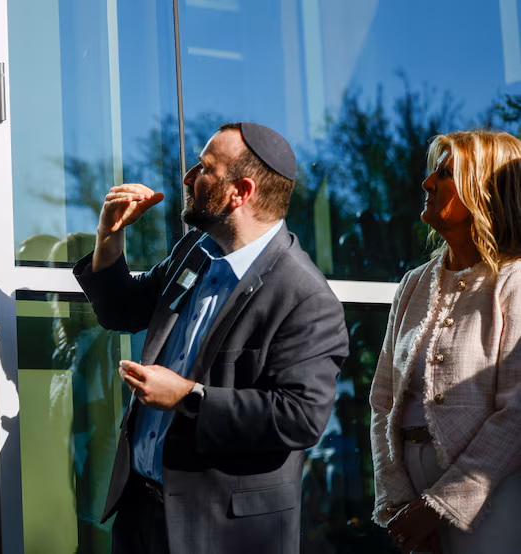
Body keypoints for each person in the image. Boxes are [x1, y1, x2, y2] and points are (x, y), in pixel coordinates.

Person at [73, 122, 349, 553]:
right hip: (141, 515)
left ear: (241, 192)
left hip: (219, 534)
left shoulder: (305, 296)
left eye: (203, 169)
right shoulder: (194, 252)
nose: (187, 179)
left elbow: (299, 417)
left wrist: (187, 397)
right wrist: (109, 236)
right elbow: (122, 310)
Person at [370, 130, 521, 554]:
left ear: (487, 192)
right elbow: (382, 399)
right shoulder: (413, 285)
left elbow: (517, 412)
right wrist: (399, 497)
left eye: (445, 174)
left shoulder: (514, 281)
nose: (427, 183)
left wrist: (441, 505)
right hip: (411, 495)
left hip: (494, 499)